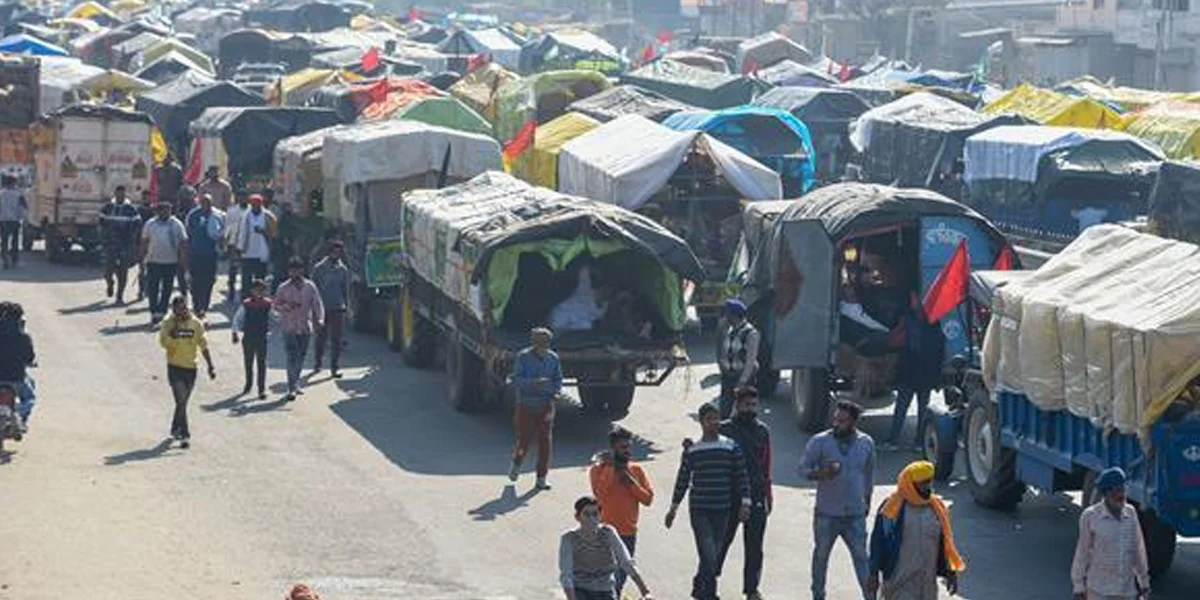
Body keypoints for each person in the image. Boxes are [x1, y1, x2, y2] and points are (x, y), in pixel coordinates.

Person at [666, 403, 751, 600]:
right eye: (709, 419)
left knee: (712, 554)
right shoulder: (693, 449)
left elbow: (742, 475)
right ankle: (710, 595)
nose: (714, 423)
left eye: (716, 418)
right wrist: (673, 507)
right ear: (701, 422)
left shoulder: (730, 446)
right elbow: (683, 478)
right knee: (709, 554)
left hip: (723, 509)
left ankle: (699, 589)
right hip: (700, 510)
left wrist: (746, 503)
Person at [803, 399, 876, 600]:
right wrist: (823, 474)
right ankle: (818, 595)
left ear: (854, 422)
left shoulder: (866, 443)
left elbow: (869, 474)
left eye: (842, 421)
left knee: (862, 558)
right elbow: (803, 469)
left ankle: (870, 597)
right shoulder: (820, 442)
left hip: (855, 513)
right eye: (835, 419)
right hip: (827, 513)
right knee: (821, 557)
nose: (836, 424)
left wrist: (867, 499)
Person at [867, 461, 965, 600]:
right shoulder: (892, 507)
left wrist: (950, 571)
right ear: (910, 484)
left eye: (929, 482)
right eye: (923, 483)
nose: (928, 487)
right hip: (899, 581)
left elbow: (946, 543)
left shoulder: (936, 507)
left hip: (927, 584)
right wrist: (873, 573)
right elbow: (878, 541)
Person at [716, 387, 772, 600]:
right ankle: (708, 581)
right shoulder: (724, 430)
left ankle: (751, 589)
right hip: (729, 496)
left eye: (753, 405)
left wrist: (768, 495)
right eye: (746, 405)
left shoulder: (762, 431)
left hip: (756, 495)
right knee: (721, 542)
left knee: (755, 547)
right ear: (737, 405)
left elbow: (766, 465)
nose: (751, 409)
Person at [589, 425, 654, 596]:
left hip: (628, 533)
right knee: (608, 580)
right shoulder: (598, 469)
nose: (627, 451)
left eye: (628, 447)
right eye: (623, 447)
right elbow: (599, 494)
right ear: (612, 449)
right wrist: (612, 470)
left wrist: (630, 482)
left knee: (620, 578)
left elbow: (647, 499)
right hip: (605, 532)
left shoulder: (636, 470)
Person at [1071, 467, 1150, 600]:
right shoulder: (1090, 516)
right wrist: (1078, 586)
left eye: (1123, 490)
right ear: (1105, 494)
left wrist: (1144, 582)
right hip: (1099, 591)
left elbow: (1138, 550)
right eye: (1116, 491)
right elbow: (1082, 552)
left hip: (1126, 592)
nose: (1121, 496)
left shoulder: (1131, 514)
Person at [558, 496, 655, 600]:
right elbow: (566, 575)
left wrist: (645, 592)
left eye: (595, 514)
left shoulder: (608, 533)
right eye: (586, 514)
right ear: (577, 517)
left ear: (600, 516)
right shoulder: (568, 538)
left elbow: (626, 563)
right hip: (580, 590)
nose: (592, 519)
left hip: (605, 590)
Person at [884, 293, 945, 451]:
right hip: (917, 372)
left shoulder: (911, 321)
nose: (912, 301)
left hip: (914, 372)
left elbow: (938, 353)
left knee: (908, 408)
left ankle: (898, 441)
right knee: (916, 408)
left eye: (914, 298)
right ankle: (911, 441)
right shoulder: (933, 324)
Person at [158, 296, 216, 448]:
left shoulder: (195, 323)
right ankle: (185, 435)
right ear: (173, 310)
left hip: (191, 368)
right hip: (174, 367)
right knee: (181, 399)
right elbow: (163, 342)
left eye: (184, 308)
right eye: (178, 309)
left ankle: (175, 426)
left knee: (182, 403)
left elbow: (203, 344)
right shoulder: (167, 323)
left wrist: (210, 365)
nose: (182, 312)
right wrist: (173, 336)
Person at [509, 326, 563, 490]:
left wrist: (555, 392)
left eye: (546, 342)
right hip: (526, 404)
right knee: (524, 440)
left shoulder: (553, 358)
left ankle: (541, 478)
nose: (543, 346)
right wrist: (533, 383)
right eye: (540, 342)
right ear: (534, 343)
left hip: (546, 405)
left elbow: (558, 379)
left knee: (545, 442)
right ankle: (517, 463)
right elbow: (516, 379)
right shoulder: (523, 357)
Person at [274, 257, 324, 401]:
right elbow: (275, 305)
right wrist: (286, 307)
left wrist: (320, 319)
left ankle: (295, 382)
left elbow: (317, 304)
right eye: (291, 270)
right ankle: (291, 388)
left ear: (302, 270)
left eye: (297, 269)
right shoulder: (283, 287)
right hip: (289, 327)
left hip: (305, 327)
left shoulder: (310, 287)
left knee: (301, 356)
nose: (294, 272)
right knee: (292, 356)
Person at [140, 201, 189, 325]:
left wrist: (183, 260)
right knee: (153, 288)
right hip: (153, 261)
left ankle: (161, 312)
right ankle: (153, 311)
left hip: (171, 261)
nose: (166, 212)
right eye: (163, 210)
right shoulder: (150, 224)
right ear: (158, 211)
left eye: (168, 210)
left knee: (167, 288)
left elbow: (183, 242)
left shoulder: (177, 224)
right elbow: (144, 241)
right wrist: (141, 259)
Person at [311, 240, 350, 378]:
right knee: (321, 337)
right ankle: (318, 363)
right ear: (329, 252)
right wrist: (313, 309)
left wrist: (347, 306)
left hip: (338, 307)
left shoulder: (343, 269)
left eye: (339, 252)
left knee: (337, 339)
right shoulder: (319, 268)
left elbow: (345, 290)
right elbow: (312, 289)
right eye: (334, 251)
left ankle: (335, 367)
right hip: (322, 307)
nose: (337, 254)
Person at [232, 279, 275, 399]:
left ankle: (261, 389)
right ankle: (248, 384)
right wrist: (235, 332)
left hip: (262, 337)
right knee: (248, 362)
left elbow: (274, 317)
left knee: (262, 363)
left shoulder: (268, 304)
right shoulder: (246, 304)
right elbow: (237, 318)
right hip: (248, 337)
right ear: (252, 291)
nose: (260, 292)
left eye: (262, 290)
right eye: (257, 290)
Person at [98, 185, 142, 304]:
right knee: (108, 270)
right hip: (110, 245)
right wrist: (104, 240)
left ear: (125, 194)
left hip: (125, 245)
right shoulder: (107, 208)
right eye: (118, 194)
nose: (120, 196)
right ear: (115, 194)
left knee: (123, 272)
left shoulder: (131, 209)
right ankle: (110, 283)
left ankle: (119, 296)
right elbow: (101, 225)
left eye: (122, 194)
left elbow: (137, 226)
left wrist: (132, 243)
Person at [184, 193, 225, 318]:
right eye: (203, 202)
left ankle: (204, 308)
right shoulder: (193, 215)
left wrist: (222, 247)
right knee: (195, 282)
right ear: (200, 202)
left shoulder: (219, 215)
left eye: (208, 202)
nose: (206, 204)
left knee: (208, 281)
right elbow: (187, 234)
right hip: (195, 254)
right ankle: (196, 306)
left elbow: (223, 232)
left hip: (211, 255)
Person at [717, 298, 759, 419]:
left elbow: (751, 360)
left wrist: (742, 382)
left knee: (744, 412)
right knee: (724, 412)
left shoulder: (751, 333)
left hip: (742, 378)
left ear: (734, 315)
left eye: (727, 313)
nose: (725, 316)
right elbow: (722, 351)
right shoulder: (729, 330)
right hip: (728, 376)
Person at [0, 301, 35, 431]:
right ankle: (19, 416)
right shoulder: (24, 337)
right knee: (29, 397)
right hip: (16, 378)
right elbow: (29, 358)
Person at [236, 194, 276, 297]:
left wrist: (264, 231)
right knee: (246, 280)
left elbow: (274, 233)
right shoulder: (245, 216)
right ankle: (246, 299)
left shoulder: (268, 216)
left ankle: (260, 298)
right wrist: (239, 249)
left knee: (260, 279)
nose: (255, 207)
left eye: (257, 204)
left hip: (261, 253)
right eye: (253, 204)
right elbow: (240, 233)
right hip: (247, 252)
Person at [224, 193, 249, 303]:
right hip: (234, 243)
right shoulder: (232, 211)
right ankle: (231, 290)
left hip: (247, 244)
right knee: (233, 268)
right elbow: (227, 227)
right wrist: (226, 242)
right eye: (241, 197)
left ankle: (245, 292)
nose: (242, 199)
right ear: (237, 198)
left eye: (244, 197)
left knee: (245, 269)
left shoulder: (251, 210)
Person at [0, 175, 27, 269]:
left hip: (3, 221)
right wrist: (21, 218)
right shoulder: (18, 195)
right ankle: (14, 259)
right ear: (13, 183)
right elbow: (23, 208)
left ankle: (4, 259)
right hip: (14, 221)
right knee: (15, 241)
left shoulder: (1, 194)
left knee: (4, 241)